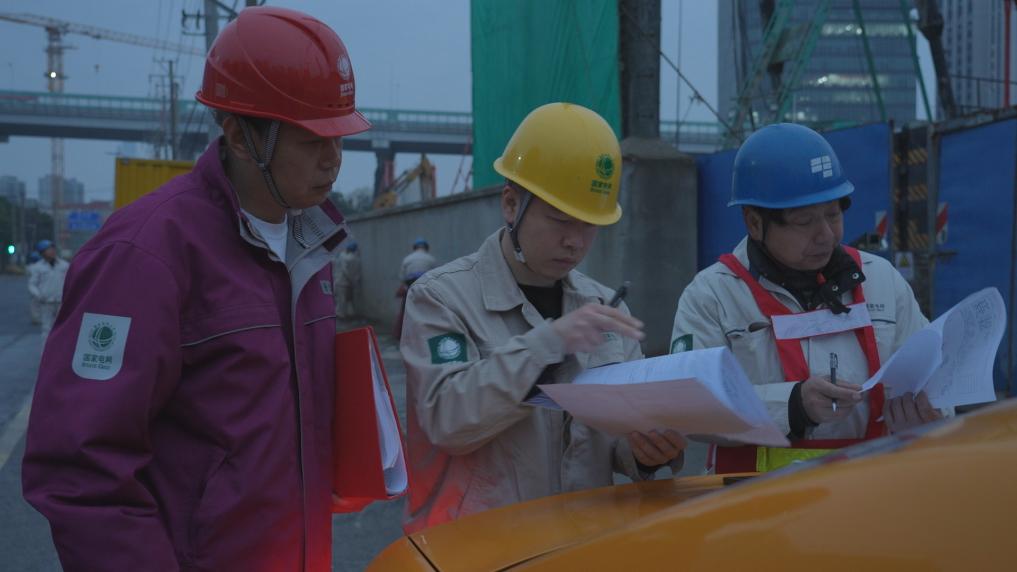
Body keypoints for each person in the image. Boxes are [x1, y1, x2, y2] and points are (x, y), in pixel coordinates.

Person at [22, 7, 369, 571]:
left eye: (339, 137)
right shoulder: (144, 255)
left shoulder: (309, 244)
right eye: (311, 139)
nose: (333, 160)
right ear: (238, 134)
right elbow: (81, 470)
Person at [401, 103, 686, 533]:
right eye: (559, 220)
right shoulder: (441, 298)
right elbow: (448, 419)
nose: (575, 242)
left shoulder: (604, 307)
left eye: (589, 224)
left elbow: (614, 441)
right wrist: (549, 343)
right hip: (482, 548)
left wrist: (644, 452)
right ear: (511, 204)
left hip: (580, 545)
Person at [670, 123, 943, 474]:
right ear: (754, 223)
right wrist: (792, 406)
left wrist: (930, 416)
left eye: (833, 214)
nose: (826, 234)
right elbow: (691, 406)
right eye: (804, 221)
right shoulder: (712, 296)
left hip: (872, 493)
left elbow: (934, 380)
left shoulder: (882, 280)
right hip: (752, 499)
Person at [394, 237, 438, 338]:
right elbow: (435, 276)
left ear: (414, 248)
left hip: (411, 287)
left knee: (405, 310)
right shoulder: (431, 259)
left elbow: (401, 277)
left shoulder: (407, 259)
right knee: (428, 309)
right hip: (425, 286)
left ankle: (402, 334)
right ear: (426, 248)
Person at [27, 239, 68, 340]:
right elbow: (32, 284)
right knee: (47, 329)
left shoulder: (64, 265)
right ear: (42, 253)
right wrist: (39, 295)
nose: (52, 251)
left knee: (63, 328)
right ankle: (46, 350)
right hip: (46, 303)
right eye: (48, 249)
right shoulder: (37, 267)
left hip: (61, 302)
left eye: (52, 248)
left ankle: (60, 350)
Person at [334, 240, 362, 319]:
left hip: (342, 282)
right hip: (351, 283)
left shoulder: (344, 257)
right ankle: (350, 314)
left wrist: (350, 279)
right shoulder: (357, 259)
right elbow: (357, 273)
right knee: (349, 299)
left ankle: (341, 315)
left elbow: (345, 271)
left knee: (341, 299)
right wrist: (353, 281)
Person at [26, 250, 43, 325]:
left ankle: (35, 318)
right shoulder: (37, 267)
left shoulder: (29, 267)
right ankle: (37, 318)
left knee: (34, 304)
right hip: (38, 286)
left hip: (34, 287)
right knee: (37, 304)